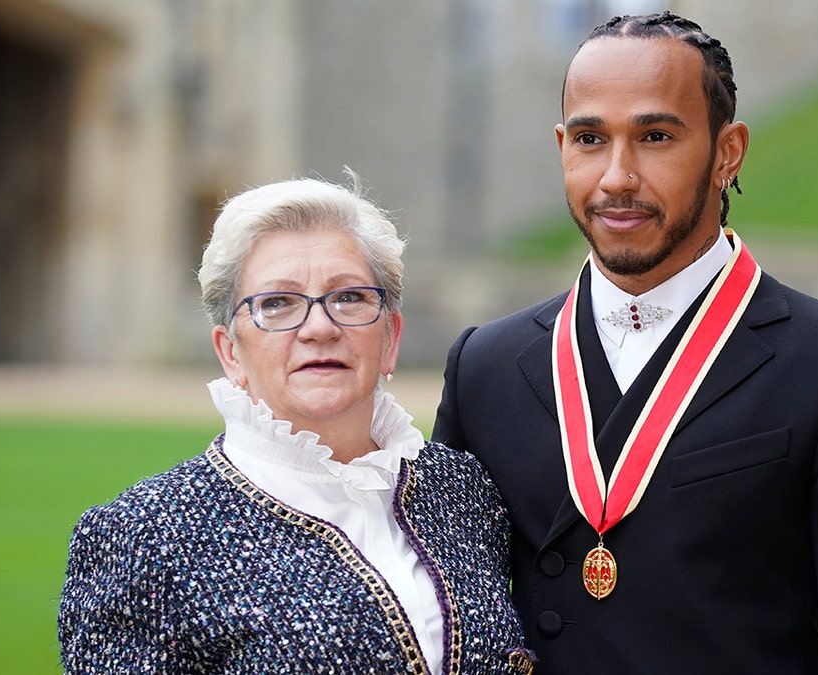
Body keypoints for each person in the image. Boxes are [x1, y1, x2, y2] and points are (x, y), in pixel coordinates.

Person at [433, 11, 818, 673]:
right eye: (590, 138)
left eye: (654, 136)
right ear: (562, 146)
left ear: (727, 153)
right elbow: (438, 617)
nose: (617, 175)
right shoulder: (484, 368)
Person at [58, 176, 534, 674]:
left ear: (390, 337)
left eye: (349, 297)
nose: (320, 327)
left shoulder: (463, 489)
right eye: (277, 303)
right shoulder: (144, 538)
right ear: (230, 351)